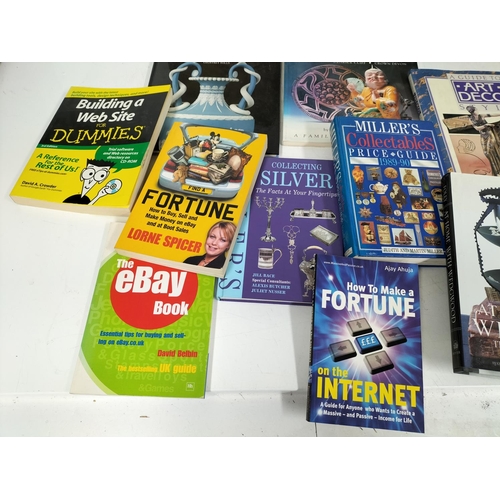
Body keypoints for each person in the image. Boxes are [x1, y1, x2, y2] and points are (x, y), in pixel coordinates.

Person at [466, 105, 500, 177]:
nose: (477, 111)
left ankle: (498, 169)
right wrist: (486, 125)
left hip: (490, 134)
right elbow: (477, 128)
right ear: (473, 112)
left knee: (491, 150)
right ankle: (495, 170)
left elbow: (492, 114)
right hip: (483, 135)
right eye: (476, 110)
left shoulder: (481, 115)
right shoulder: (471, 119)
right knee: (486, 153)